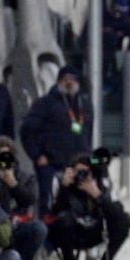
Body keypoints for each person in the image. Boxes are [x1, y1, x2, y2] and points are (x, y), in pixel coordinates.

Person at [48, 151, 130, 260]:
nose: (82, 176)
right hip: (70, 231)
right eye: (79, 172)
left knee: (125, 220)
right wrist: (64, 188)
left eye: (86, 172)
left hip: (95, 231)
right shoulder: (60, 179)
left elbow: (118, 212)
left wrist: (98, 195)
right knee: (63, 220)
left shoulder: (102, 182)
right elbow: (55, 213)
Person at [20, 65, 92, 213]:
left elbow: (88, 133)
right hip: (52, 167)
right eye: (65, 79)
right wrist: (37, 155)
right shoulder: (44, 103)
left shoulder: (86, 105)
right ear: (58, 81)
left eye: (73, 79)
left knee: (80, 205)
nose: (69, 82)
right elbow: (26, 130)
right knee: (50, 206)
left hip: (78, 167)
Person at [0, 137, 45, 260]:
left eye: (8, 156)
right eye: (0, 156)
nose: (4, 161)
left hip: (13, 226)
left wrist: (13, 183)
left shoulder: (23, 176)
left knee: (38, 228)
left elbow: (30, 199)